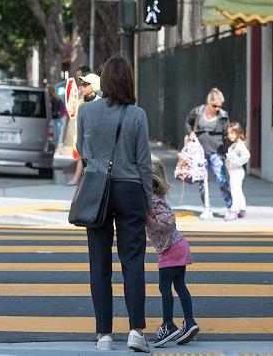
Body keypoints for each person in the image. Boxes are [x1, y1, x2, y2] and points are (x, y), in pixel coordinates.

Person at [76, 57, 153, 352]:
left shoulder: (86, 111)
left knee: (99, 263)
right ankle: (136, 331)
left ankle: (104, 335)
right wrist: (148, 204)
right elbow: (143, 164)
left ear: (104, 81)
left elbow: (83, 150)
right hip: (131, 190)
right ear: (128, 81)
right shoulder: (137, 115)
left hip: (97, 191)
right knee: (133, 262)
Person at [147, 161, 200, 348]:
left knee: (164, 288)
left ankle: (168, 325)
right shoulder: (156, 197)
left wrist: (151, 221)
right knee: (179, 286)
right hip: (178, 246)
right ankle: (189, 322)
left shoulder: (152, 200)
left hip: (170, 248)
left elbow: (168, 220)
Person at [184, 88, 232, 220]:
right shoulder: (198, 112)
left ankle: (230, 207)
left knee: (221, 179)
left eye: (219, 106)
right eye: (214, 105)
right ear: (208, 102)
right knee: (202, 181)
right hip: (200, 151)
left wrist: (228, 153)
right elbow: (188, 123)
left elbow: (227, 134)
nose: (217, 108)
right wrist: (190, 133)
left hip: (217, 151)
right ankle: (206, 208)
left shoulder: (223, 115)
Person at [67, 72, 102, 186]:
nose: (82, 87)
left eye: (86, 84)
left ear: (94, 86)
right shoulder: (81, 101)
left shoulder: (100, 102)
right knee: (81, 157)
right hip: (83, 136)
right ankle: (79, 178)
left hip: (95, 139)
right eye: (82, 84)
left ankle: (80, 179)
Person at [224, 122, 250, 221]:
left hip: (237, 171)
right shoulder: (235, 145)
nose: (230, 135)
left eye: (232, 133)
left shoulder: (240, 145)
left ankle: (234, 211)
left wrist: (234, 163)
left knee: (235, 191)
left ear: (238, 133)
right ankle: (242, 210)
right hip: (234, 171)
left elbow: (246, 156)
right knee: (238, 191)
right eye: (229, 133)